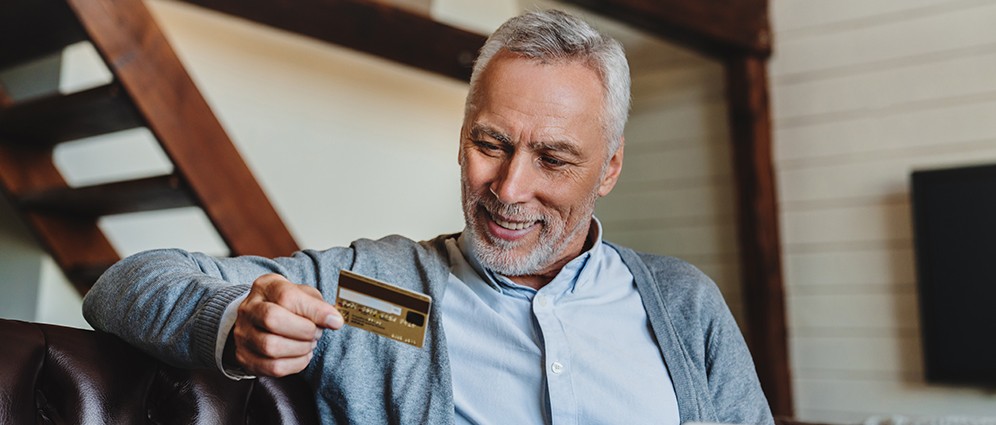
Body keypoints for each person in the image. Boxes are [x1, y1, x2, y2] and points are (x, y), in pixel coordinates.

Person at [83, 9, 774, 425]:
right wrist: (233, 318)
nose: (510, 186)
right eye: (490, 143)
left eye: (555, 159)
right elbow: (122, 284)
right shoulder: (374, 286)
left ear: (611, 167)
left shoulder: (684, 304)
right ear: (462, 133)